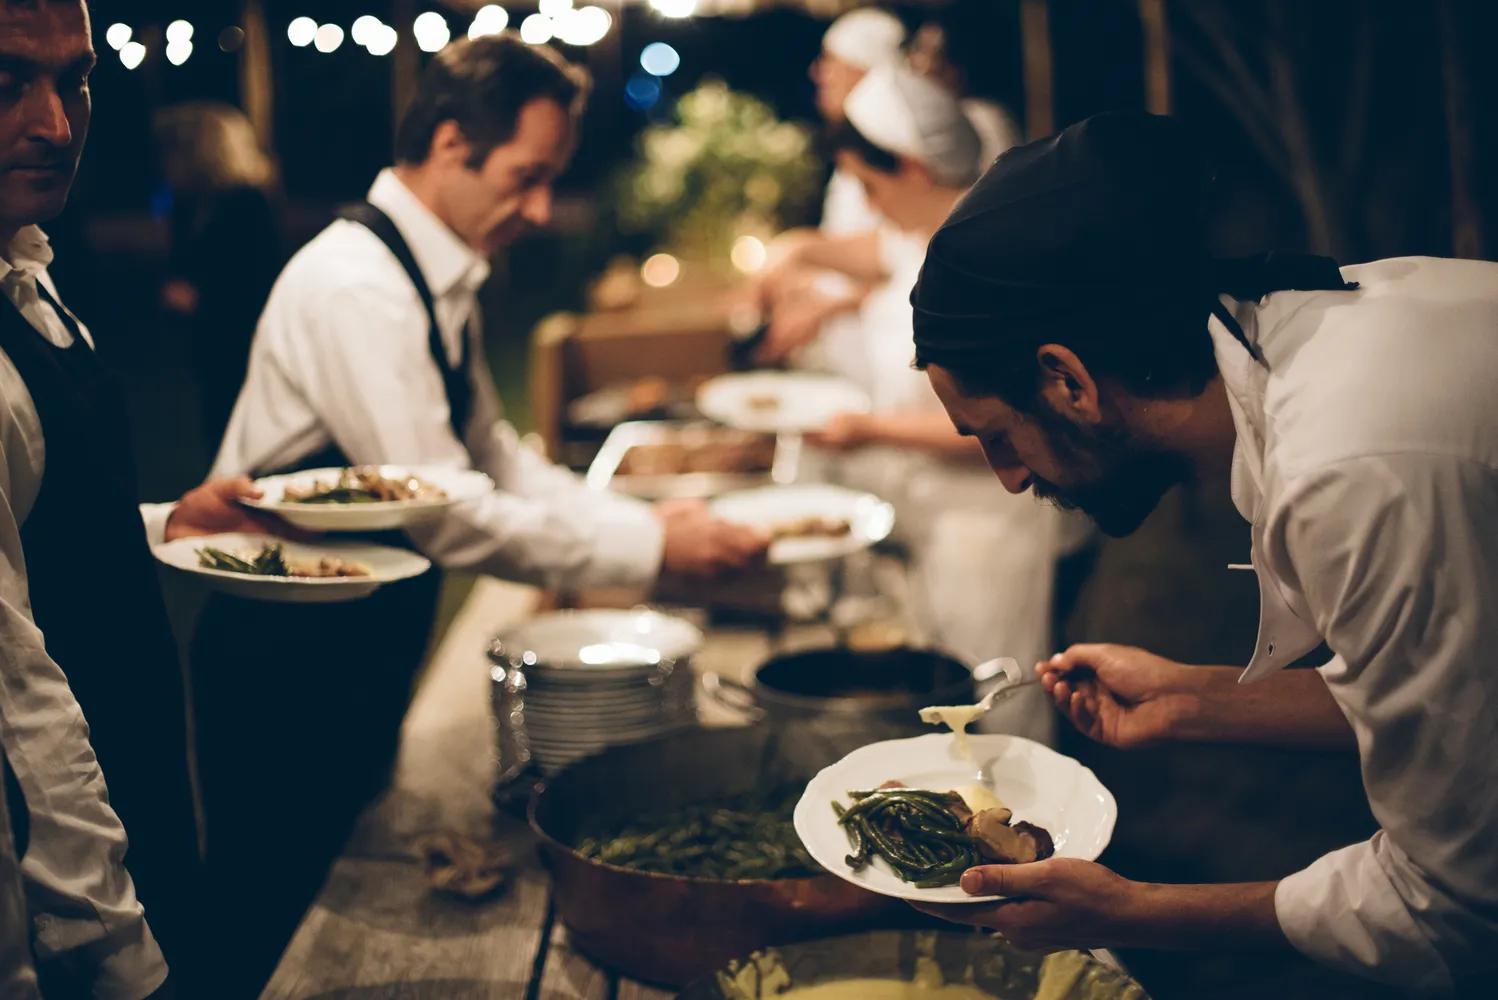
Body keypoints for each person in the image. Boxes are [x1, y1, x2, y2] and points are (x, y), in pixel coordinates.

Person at [176, 33, 766, 994]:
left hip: (357, 641)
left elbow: (494, 459)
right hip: (283, 660)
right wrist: (653, 544)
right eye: (527, 177)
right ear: (450, 145)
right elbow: (448, 511)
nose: (538, 209)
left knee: (346, 875)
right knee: (277, 925)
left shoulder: (432, 271)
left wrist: (630, 517)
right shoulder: (360, 285)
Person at [907, 110, 1498, 993]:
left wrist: (1124, 911)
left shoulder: (1346, 470)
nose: (1009, 479)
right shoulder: (1306, 341)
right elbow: (1465, 702)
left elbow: (1455, 904)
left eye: (998, 436)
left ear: (1068, 381)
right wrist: (1197, 699)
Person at [0, 1, 286, 996]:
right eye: (6, 83)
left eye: (74, 77)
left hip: (136, 783)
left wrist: (167, 519)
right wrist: (117, 950)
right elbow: (14, 707)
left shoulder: (24, 271)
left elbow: (31, 532)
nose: (56, 123)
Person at [773, 65, 1087, 740]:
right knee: (946, 698)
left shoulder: (985, 265)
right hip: (936, 517)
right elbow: (877, 257)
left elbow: (1016, 427)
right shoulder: (923, 235)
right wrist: (800, 253)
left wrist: (871, 429)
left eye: (870, 184)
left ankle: (1027, 835)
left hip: (988, 527)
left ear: (914, 169)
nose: (867, 202)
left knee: (996, 704)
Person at [754, 6, 906, 366]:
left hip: (897, 364)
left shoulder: (899, 152)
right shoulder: (854, 148)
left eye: (830, 60)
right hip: (857, 359)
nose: (818, 72)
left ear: (866, 67)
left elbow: (908, 256)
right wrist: (804, 279)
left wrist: (808, 261)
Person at [153, 101, 283, 459]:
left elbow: (256, 281)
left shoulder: (246, 204)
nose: (167, 163)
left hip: (242, 342)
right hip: (212, 343)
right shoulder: (192, 204)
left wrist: (199, 299)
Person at [906, 18, 1022, 170]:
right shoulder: (915, 112)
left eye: (938, 56)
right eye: (919, 49)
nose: (924, 65)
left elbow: (1003, 184)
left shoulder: (985, 119)